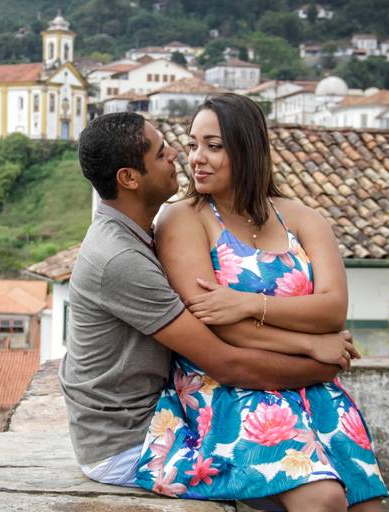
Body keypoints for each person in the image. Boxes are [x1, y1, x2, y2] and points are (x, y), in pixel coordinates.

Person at [59, 112, 358, 500]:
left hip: (160, 416)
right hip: (131, 442)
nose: (180, 157)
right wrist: (319, 356)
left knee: (346, 483)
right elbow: (225, 361)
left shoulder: (133, 234)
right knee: (320, 496)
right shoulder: (119, 258)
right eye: (162, 152)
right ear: (129, 179)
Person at [134, 94, 389, 511]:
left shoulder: (302, 218)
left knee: (365, 506)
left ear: (248, 149)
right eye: (194, 144)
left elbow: (332, 310)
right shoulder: (183, 218)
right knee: (322, 498)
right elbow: (217, 324)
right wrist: (309, 342)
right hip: (228, 392)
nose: (197, 158)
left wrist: (249, 303)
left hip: (312, 390)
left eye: (213, 146)